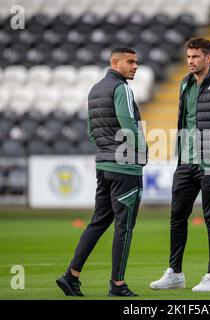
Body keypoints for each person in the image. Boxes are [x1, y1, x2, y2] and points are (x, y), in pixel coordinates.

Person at [150, 37, 210, 292]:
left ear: (208, 58)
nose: (190, 61)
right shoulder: (184, 84)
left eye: (196, 57)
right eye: (188, 57)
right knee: (177, 217)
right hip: (185, 162)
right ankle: (175, 273)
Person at [56, 47, 148, 297]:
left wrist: (107, 149)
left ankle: (71, 276)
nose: (135, 66)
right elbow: (128, 125)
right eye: (130, 62)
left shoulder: (95, 89)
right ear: (115, 63)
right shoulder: (123, 89)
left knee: (98, 221)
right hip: (124, 168)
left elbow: (91, 132)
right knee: (124, 226)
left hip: (104, 166)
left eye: (136, 62)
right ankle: (117, 285)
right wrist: (142, 153)